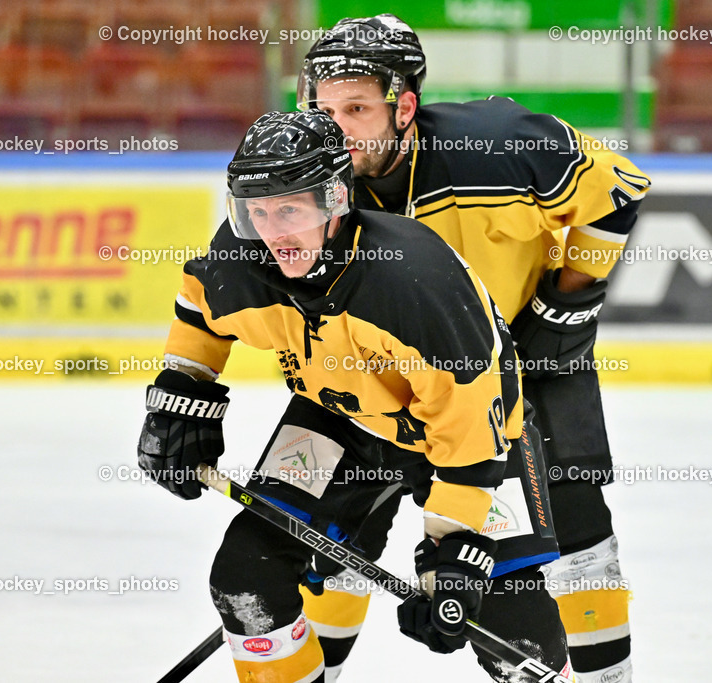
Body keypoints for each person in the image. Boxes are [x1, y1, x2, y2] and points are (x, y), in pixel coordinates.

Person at [136, 109, 571, 682]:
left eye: (290, 209)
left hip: (477, 435)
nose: (274, 234)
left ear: (335, 200)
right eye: (258, 213)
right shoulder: (245, 258)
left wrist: (453, 555)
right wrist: (181, 391)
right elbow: (200, 306)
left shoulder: (415, 284)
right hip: (339, 420)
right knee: (246, 576)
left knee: (512, 624)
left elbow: (470, 428)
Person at [297, 14, 651, 683]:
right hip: (392, 377)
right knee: (334, 533)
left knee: (577, 525)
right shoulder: (309, 179)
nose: (335, 128)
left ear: (405, 106)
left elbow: (619, 189)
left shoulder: (496, 146)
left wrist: (567, 305)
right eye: (323, 108)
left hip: (528, 356)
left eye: (357, 108)